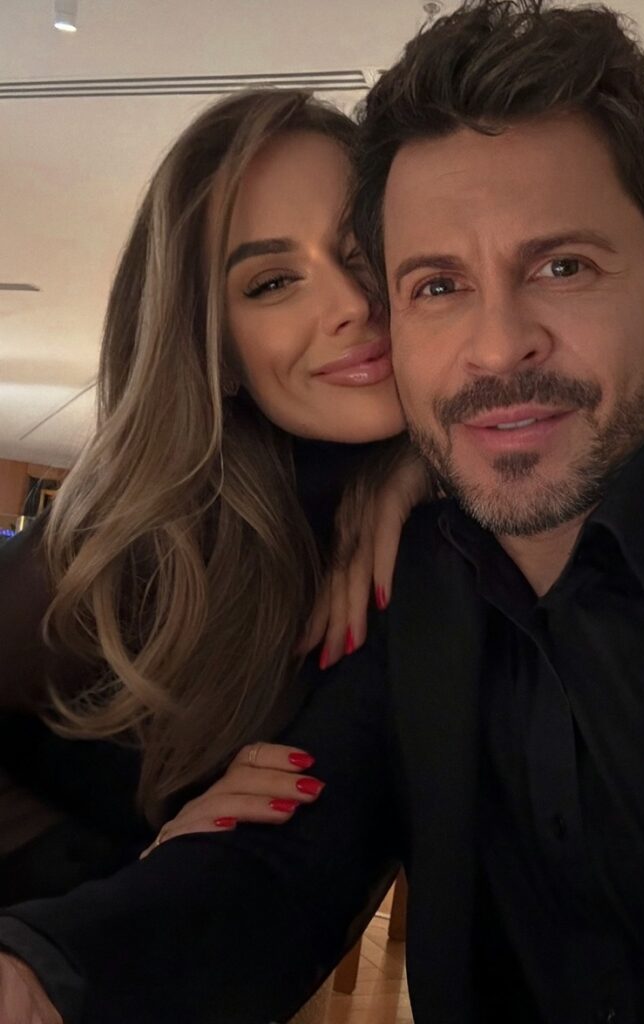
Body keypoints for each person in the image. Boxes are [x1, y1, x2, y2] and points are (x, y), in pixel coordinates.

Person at [1, 2, 644, 1022]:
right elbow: (283, 865)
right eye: (437, 286)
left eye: (562, 266)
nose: (498, 344)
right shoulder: (395, 585)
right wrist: (47, 972)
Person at [0, 86, 422, 1015]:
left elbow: (314, 845)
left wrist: (419, 465)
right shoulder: (135, 543)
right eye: (272, 283)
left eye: (364, 251)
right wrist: (92, 886)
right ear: (217, 351)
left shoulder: (430, 542)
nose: (352, 304)